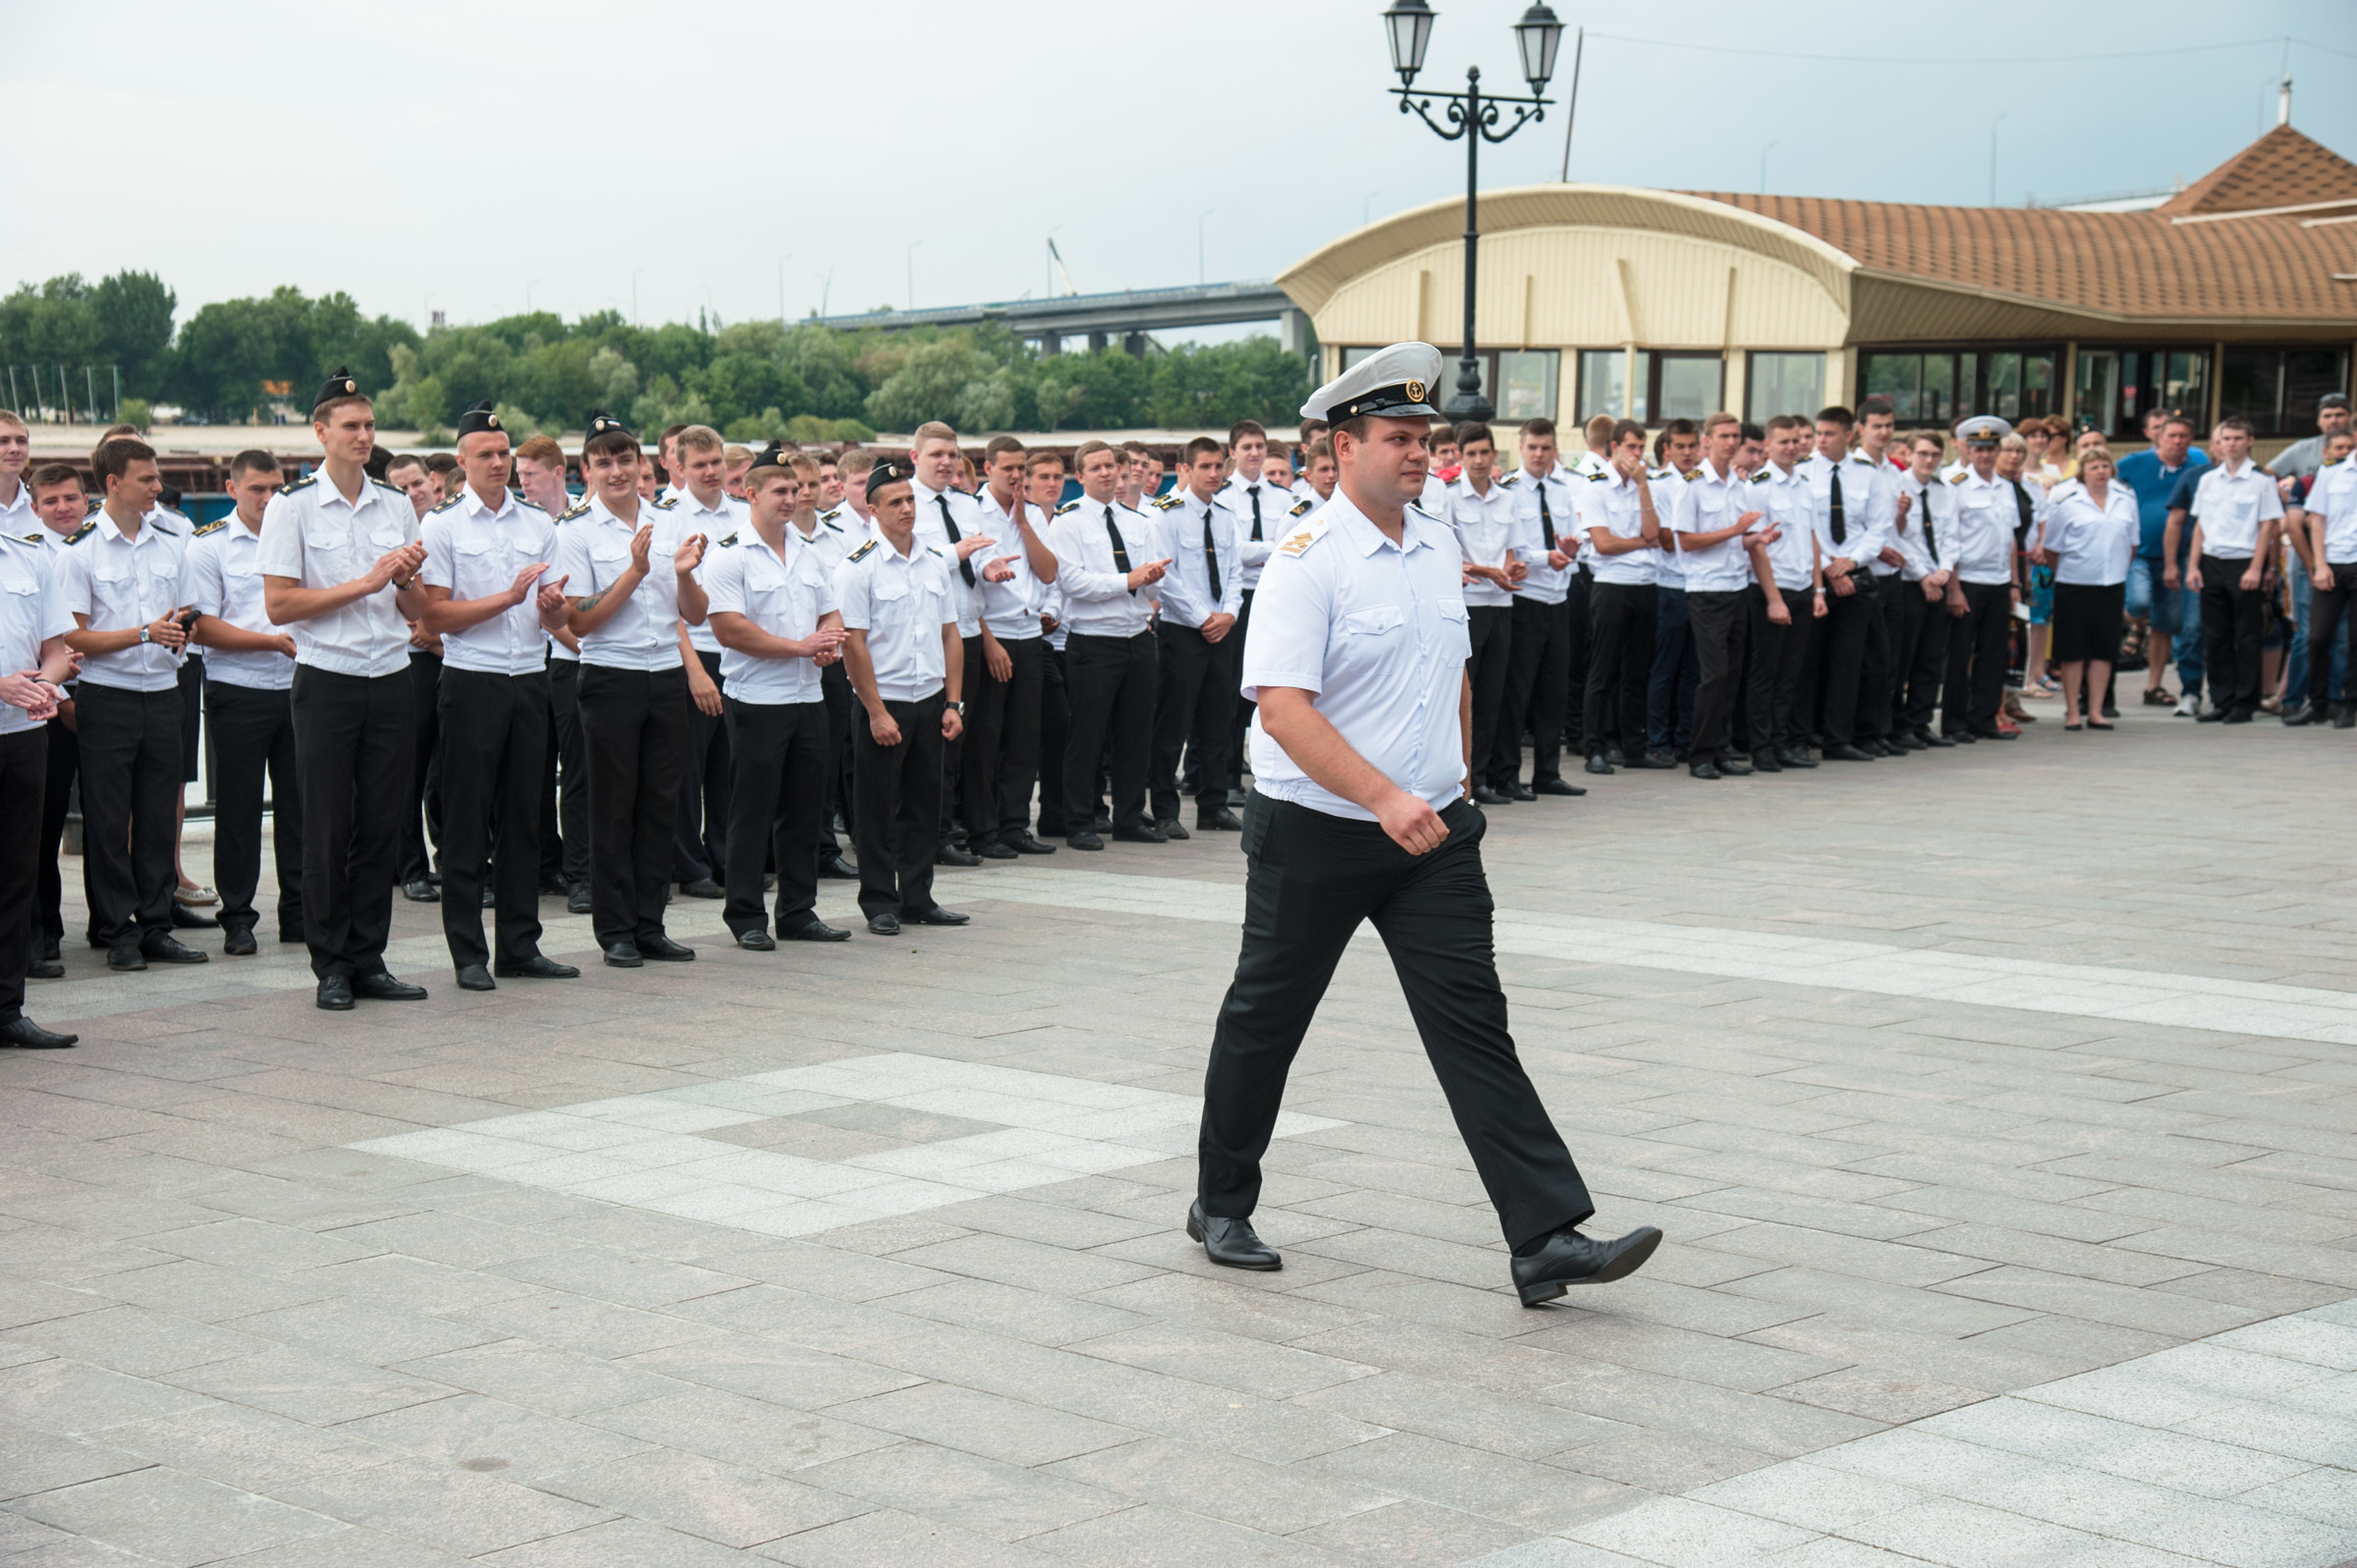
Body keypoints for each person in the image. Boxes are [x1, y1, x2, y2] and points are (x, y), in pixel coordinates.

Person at [1190, 341, 1659, 1305]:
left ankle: (1545, 1235)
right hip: (1317, 829)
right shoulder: (1305, 563)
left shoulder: (1440, 541)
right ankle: (1220, 1200)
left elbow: (1451, 674)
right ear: (1342, 446)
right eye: (1399, 437)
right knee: (1268, 1018)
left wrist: (1452, 786)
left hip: (1434, 837)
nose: (1419, 454)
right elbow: (1281, 708)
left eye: (1425, 438)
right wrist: (1382, 797)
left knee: (1474, 1026)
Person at [256, 370, 435, 1009]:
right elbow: (279, 604)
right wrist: (366, 582)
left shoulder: (395, 504)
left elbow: (417, 607)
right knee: (327, 825)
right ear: (321, 431)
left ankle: (369, 957)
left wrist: (405, 580)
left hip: (389, 675)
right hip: (328, 677)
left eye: (369, 425)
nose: (363, 436)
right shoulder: (292, 507)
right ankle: (330, 962)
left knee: (382, 825)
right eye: (351, 426)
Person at [416, 403, 580, 991]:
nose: (497, 463)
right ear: (461, 461)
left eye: (503, 453)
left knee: (523, 820)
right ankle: (467, 953)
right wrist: (507, 600)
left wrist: (551, 607)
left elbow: (557, 604)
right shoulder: (442, 525)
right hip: (472, 680)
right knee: (466, 820)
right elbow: (434, 615)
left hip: (528, 679)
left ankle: (520, 945)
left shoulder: (537, 523)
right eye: (484, 454)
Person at [554, 411, 711, 969]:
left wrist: (686, 573)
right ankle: (615, 929)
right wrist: (635, 572)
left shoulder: (668, 521)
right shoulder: (574, 531)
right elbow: (579, 622)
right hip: (611, 676)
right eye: (604, 462)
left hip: (664, 672)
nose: (616, 471)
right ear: (586, 470)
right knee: (613, 806)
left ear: (643, 465)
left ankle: (650, 924)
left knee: (661, 805)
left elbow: (693, 613)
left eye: (626, 460)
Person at [54, 437, 207, 973]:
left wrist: (179, 632)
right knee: (107, 817)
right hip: (108, 697)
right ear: (113, 483)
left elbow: (187, 611)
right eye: (146, 479)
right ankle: (117, 930)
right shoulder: (81, 551)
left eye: (157, 476)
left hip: (164, 695)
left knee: (159, 818)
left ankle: (157, 924)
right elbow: (75, 639)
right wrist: (143, 633)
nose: (157, 487)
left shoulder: (171, 543)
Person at [704, 444, 850, 948]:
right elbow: (729, 629)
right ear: (750, 494)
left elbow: (831, 613)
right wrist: (800, 646)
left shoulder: (810, 553)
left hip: (808, 698)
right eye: (781, 491)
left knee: (806, 810)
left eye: (796, 490)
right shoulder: (730, 555)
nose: (792, 498)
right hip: (756, 700)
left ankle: (798, 911)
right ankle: (745, 915)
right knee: (752, 812)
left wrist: (828, 641)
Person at [835, 458, 968, 936]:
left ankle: (918, 895)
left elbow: (951, 635)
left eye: (910, 499)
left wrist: (954, 703)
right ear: (873, 510)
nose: (907, 508)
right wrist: (874, 711)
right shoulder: (859, 568)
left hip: (930, 700)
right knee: (875, 806)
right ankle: (879, 901)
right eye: (895, 502)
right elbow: (854, 644)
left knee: (923, 804)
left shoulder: (933, 562)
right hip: (883, 701)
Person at [185, 451, 303, 956]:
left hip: (300, 686)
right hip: (240, 688)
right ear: (232, 490)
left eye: (277, 487)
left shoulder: (300, 536)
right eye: (257, 489)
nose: (269, 498)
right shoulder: (209, 546)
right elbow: (202, 625)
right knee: (238, 809)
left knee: (302, 807)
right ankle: (238, 916)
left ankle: (300, 912)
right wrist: (270, 642)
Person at [1047, 441, 1169, 850]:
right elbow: (1072, 583)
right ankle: (1080, 819)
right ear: (1079, 476)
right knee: (1088, 736)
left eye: (1109, 466)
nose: (1105, 473)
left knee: (1135, 735)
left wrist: (1149, 577)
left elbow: (1156, 577)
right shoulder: (1067, 522)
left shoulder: (1139, 522)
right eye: (1094, 467)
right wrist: (1129, 581)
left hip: (1137, 638)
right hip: (1094, 642)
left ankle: (1130, 816)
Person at [0, 502, 79, 1048]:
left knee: (15, 875)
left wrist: (48, 684)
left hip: (23, 736)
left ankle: (7, 1008)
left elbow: (57, 650)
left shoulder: (28, 557)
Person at [906, 423, 995, 867]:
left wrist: (988, 567)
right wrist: (956, 553)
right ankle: (933, 834)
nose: (947, 462)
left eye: (953, 454)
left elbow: (974, 562)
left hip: (966, 630)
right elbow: (911, 561)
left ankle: (952, 827)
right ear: (914, 457)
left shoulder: (966, 504)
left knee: (960, 736)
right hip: (926, 636)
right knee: (929, 743)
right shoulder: (902, 502)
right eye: (937, 454)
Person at [1148, 436, 1245, 838]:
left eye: (1218, 466)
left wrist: (1230, 615)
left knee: (1218, 722)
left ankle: (1213, 805)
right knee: (1173, 724)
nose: (1213, 474)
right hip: (1182, 630)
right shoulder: (1165, 515)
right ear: (1184, 469)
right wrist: (1205, 617)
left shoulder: (1225, 514)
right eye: (1204, 466)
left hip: (1220, 630)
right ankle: (1165, 810)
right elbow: (1164, 576)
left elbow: (1236, 572)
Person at [661, 427, 741, 899]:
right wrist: (692, 669)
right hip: (691, 650)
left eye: (716, 462)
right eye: (700, 465)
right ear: (679, 468)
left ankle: (725, 857)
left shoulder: (742, 514)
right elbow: (667, 605)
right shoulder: (669, 517)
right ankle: (688, 864)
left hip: (736, 649)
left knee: (726, 764)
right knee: (687, 767)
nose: (711, 472)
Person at [969, 437, 1059, 857]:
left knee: (1025, 735)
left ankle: (1015, 823)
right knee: (987, 738)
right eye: (1008, 468)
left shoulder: (1031, 515)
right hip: (993, 634)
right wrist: (988, 641)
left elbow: (1047, 572)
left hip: (1028, 633)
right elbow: (965, 589)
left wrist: (1024, 522)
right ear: (988, 468)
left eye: (1021, 467)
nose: (1016, 476)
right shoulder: (972, 511)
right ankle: (982, 829)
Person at [516, 434, 590, 912]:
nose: (522, 483)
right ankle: (548, 864)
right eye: (519, 474)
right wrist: (579, 642)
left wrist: (585, 645)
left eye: (530, 474)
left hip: (576, 659)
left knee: (581, 770)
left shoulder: (577, 520)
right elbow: (545, 610)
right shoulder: (525, 525)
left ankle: (580, 870)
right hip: (548, 655)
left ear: (558, 472)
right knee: (537, 771)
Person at [1667, 413, 1760, 780]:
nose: (1731, 442)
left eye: (1735, 435)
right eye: (1724, 435)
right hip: (1706, 591)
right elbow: (1686, 541)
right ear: (1708, 441)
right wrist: (1734, 530)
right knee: (1714, 674)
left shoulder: (1739, 486)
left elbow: (1736, 539)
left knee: (1732, 674)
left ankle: (1720, 749)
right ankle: (1700, 753)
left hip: (1736, 585)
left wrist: (1754, 538)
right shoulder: (1692, 484)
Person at [26, 463, 91, 970]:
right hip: (49, 708)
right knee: (41, 827)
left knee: (113, 821)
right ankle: (43, 927)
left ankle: (119, 921)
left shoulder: (98, 545)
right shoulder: (28, 557)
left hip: (110, 700)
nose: (62, 508)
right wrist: (61, 699)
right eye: (51, 501)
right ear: (35, 508)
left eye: (70, 498)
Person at [2178, 417, 2285, 725]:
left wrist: (2257, 567)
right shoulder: (2209, 480)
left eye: (2238, 438)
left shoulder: (2261, 479)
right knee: (2215, 636)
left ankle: (2244, 701)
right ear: (2219, 443)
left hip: (2244, 560)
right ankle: (2221, 699)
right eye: (2227, 438)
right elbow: (2200, 524)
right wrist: (2193, 565)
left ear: (2249, 440)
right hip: (2212, 560)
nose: (2232, 444)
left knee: (2247, 636)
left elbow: (2268, 527)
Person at [1497, 418, 1583, 798]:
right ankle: (1508, 774)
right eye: (1532, 447)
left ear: (1554, 450)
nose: (1538, 454)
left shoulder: (1563, 490)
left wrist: (1569, 552)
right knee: (1518, 693)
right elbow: (1508, 548)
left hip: (1558, 598)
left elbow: (1575, 542)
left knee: (1554, 690)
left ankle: (1548, 772)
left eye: (1545, 448)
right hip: (1525, 598)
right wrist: (1546, 557)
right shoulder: (1508, 491)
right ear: (1520, 446)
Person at [1803, 406, 1892, 763]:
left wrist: (1850, 563)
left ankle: (1839, 738)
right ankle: (1804, 733)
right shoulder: (1804, 473)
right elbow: (1804, 527)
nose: (1821, 440)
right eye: (1818, 433)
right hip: (1817, 576)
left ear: (1848, 435)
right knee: (1810, 661)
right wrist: (1828, 569)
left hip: (1856, 575)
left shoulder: (1867, 475)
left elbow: (1878, 527)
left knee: (1850, 662)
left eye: (1829, 434)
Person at [1575, 419, 1663, 775]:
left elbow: (1655, 532)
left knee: (1637, 671)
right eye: (1631, 447)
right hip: (1611, 584)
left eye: (1641, 448)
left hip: (1645, 583)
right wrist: (1641, 543)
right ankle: (1594, 746)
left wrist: (1642, 485)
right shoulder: (1595, 486)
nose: (1637, 455)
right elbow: (1604, 543)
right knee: (1603, 670)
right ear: (1614, 447)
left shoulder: (1646, 484)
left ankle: (1633, 746)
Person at [1448, 422, 1525, 801]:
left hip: (1501, 602)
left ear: (1495, 454)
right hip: (1470, 605)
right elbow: (1449, 554)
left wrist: (1511, 568)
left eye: (1484, 453)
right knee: (1466, 696)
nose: (1478, 460)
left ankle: (1485, 776)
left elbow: (1511, 549)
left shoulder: (1507, 498)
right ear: (1461, 457)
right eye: (1471, 453)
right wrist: (1485, 571)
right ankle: (1464, 781)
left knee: (1494, 694)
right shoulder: (1449, 497)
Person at [2037, 446, 2137, 731]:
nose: (2101, 472)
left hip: (2111, 584)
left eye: (2105, 466)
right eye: (2094, 467)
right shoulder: (2067, 498)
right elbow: (2052, 548)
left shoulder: (2125, 497)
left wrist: (2117, 569)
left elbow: (2132, 542)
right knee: (2073, 650)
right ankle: (2072, 711)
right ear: (2083, 472)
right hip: (2074, 584)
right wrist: (2068, 572)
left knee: (2104, 649)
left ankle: (2096, 711)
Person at [1744, 416, 1825, 771]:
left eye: (1795, 441)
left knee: (1793, 673)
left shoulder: (1804, 485)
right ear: (1768, 445)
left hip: (1802, 588)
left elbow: (1812, 539)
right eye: (1783, 442)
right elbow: (1755, 547)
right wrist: (1773, 597)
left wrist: (1818, 589)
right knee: (1766, 674)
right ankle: (1761, 746)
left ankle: (1785, 742)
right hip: (1770, 590)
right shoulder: (1758, 486)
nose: (1791, 447)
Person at [1939, 416, 2024, 742]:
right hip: (1969, 580)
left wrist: (2015, 584)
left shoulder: (2005, 485)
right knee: (1959, 654)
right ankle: (1954, 722)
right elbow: (1951, 538)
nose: (1985, 455)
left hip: (1999, 580)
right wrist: (1954, 588)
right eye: (1978, 449)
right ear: (1967, 449)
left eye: (1990, 449)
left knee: (1993, 652)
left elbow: (2011, 538)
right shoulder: (1956, 484)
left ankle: (1984, 718)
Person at [385, 452, 447, 904]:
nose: (413, 492)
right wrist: (427, 632)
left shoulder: (447, 526)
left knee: (447, 769)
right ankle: (411, 867)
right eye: (402, 487)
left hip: (452, 658)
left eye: (418, 483)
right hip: (412, 663)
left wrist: (435, 635)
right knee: (411, 767)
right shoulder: (391, 531)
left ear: (432, 481)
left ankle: (450, 855)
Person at [1220, 420, 1290, 815]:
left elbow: (1291, 544)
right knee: (1232, 689)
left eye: (1260, 446)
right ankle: (1227, 777)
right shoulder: (1224, 497)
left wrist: (1266, 550)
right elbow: (1234, 551)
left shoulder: (1282, 497)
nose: (1254, 453)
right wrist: (1273, 547)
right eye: (1246, 446)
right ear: (1232, 451)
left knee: (1270, 683)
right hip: (1240, 596)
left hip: (1274, 594)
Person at [2118, 414, 2208, 714]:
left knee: (2167, 624)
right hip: (2139, 552)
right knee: (2140, 601)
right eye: (2171, 436)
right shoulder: (2135, 463)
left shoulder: (2197, 470)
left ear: (2191, 440)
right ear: (2158, 437)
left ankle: (2153, 684)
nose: (2177, 441)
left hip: (2179, 556)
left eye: (2183, 436)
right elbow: (2101, 479)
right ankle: (2135, 626)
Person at [2283, 429, 2357, 726]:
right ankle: (2317, 703)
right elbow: (2317, 521)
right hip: (2334, 563)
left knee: (2355, 640)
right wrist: (2319, 565)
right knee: (2317, 638)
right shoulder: (2332, 472)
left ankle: (2350, 705)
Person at [1891, 433, 1956, 748]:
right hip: (1909, 582)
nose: (1929, 460)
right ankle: (1897, 725)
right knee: (1904, 656)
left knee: (1931, 657)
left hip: (1937, 580)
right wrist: (1922, 577)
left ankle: (1921, 721)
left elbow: (1950, 536)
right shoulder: (1898, 487)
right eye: (1922, 454)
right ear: (1910, 454)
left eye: (1934, 454)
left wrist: (1943, 569)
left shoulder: (1944, 491)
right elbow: (1897, 537)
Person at [1643, 419, 1701, 767]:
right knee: (1665, 666)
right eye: (1680, 446)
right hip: (1670, 583)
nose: (1688, 452)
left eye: (1692, 446)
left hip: (1698, 585)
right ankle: (1658, 740)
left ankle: (1685, 737)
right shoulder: (1661, 484)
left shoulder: (1700, 483)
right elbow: (1667, 540)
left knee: (1693, 669)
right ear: (1668, 449)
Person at [1026, 451, 1077, 841]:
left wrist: (1053, 609)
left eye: (1058, 476)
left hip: (1064, 635)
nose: (1052, 483)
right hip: (1032, 637)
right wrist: (1042, 611)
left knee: (1063, 727)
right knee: (1030, 730)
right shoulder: (1022, 519)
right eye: (1044, 476)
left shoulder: (1067, 519)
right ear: (1028, 482)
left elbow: (1059, 582)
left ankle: (1056, 812)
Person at [2268, 391, 2352, 485]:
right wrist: (2282, 489)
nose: (2333, 421)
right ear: (2318, 421)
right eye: (2327, 416)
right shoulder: (2303, 448)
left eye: (2339, 415)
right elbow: (2267, 474)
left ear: (2350, 418)